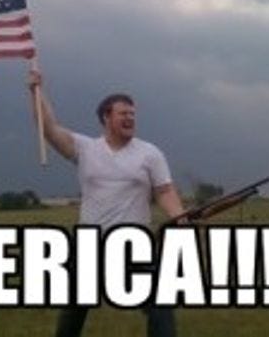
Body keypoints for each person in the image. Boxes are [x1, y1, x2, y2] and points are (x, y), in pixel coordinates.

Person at [27, 70, 186, 337]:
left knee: (160, 301)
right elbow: (50, 128)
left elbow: (165, 191)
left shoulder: (150, 153)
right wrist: (36, 92)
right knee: (73, 310)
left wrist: (178, 216)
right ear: (106, 118)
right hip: (90, 245)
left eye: (133, 114)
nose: (130, 118)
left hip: (134, 246)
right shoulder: (85, 148)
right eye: (123, 113)